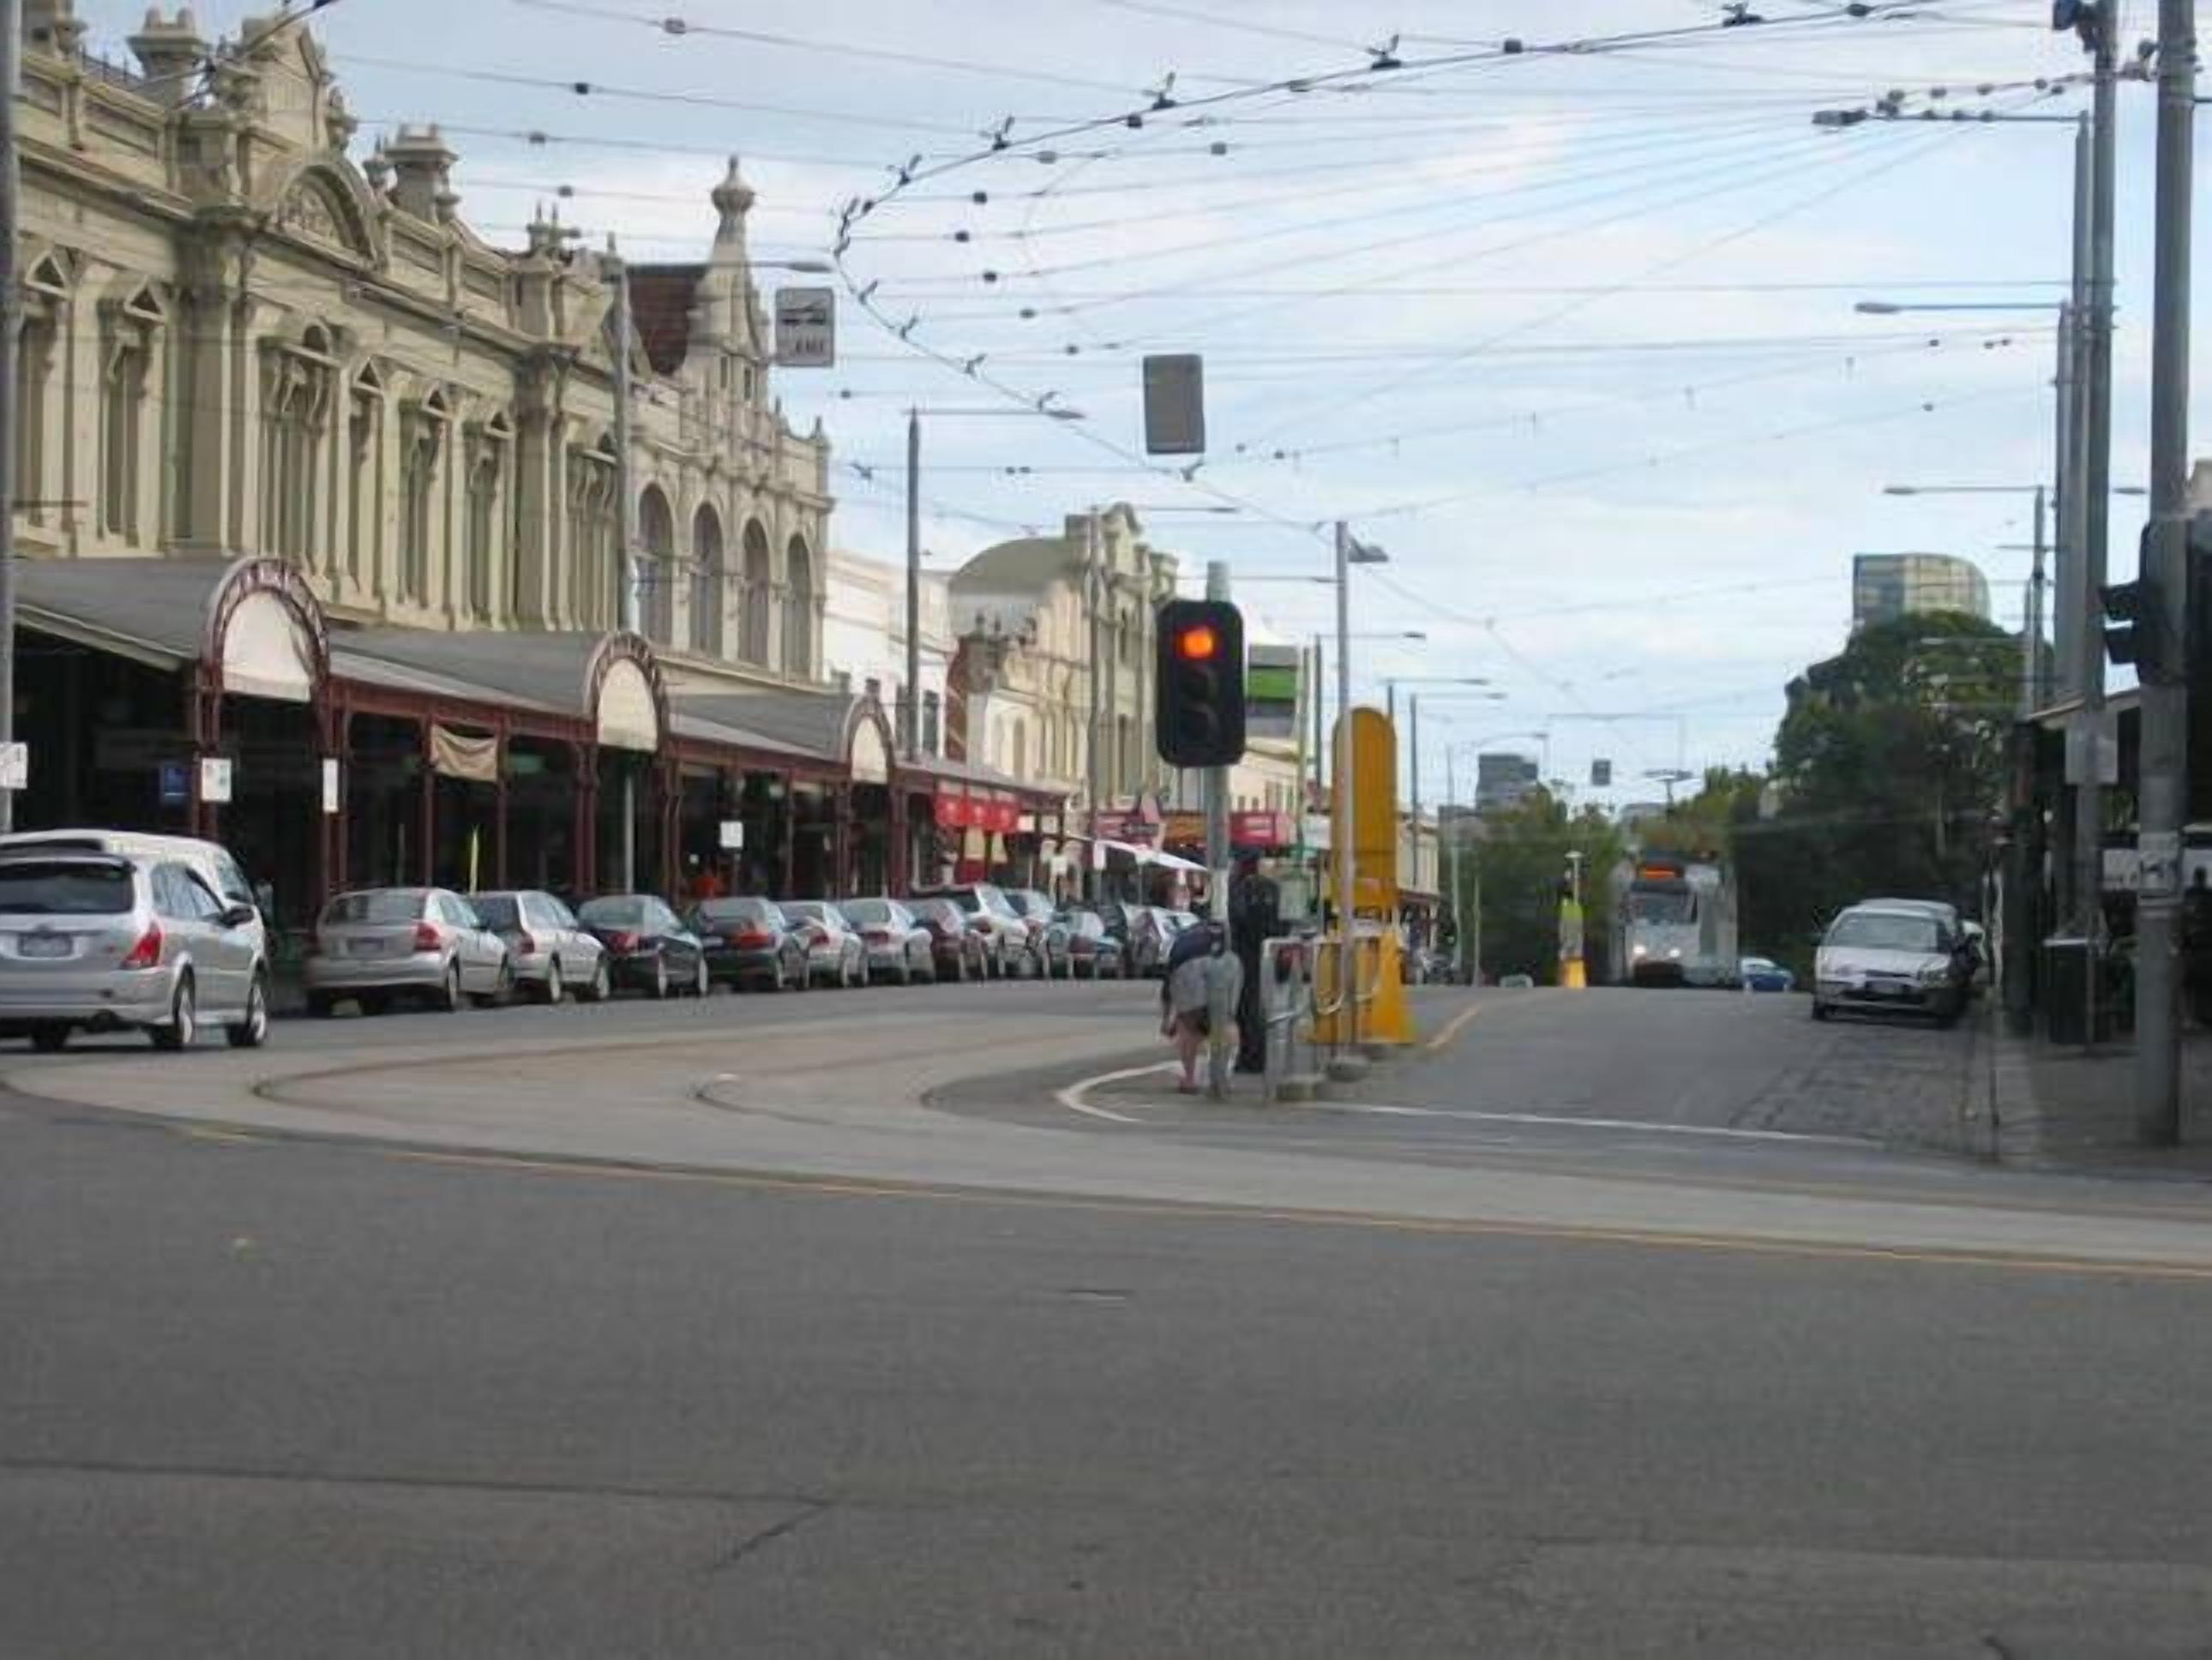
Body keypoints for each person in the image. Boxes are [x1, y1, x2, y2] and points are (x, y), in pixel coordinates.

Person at [1229, 854, 1280, 1074]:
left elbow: (1237, 918)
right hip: (1269, 953)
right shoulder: (1272, 888)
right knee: (1258, 1005)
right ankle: (1258, 1055)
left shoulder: (1242, 888)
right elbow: (1282, 922)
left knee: (1246, 1007)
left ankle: (1250, 1057)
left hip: (1246, 953)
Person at [1160, 919, 1225, 1094]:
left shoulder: (1180, 941)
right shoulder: (1224, 930)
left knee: (1188, 1026)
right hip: (1223, 961)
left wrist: (1168, 1019)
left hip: (1187, 966)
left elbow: (1168, 984)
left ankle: (1190, 1079)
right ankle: (1222, 1075)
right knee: (1224, 1019)